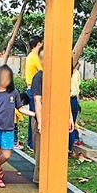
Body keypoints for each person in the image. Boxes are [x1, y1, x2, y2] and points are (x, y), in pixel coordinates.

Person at [0, 65, 35, 188]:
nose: (5, 81)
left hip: (8, 129)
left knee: (6, 155)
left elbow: (21, 108)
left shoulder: (14, 93)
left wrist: (35, 114)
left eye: (8, 78)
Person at [30, 50, 74, 184]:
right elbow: (38, 101)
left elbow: (65, 97)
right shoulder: (39, 77)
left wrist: (70, 117)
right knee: (42, 152)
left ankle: (56, 180)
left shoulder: (60, 76)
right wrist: (40, 122)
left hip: (57, 119)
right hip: (42, 118)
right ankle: (40, 180)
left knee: (57, 152)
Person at [24, 36, 44, 148]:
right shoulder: (36, 57)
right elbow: (44, 71)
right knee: (36, 116)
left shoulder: (30, 56)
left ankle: (31, 143)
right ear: (38, 44)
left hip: (31, 88)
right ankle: (32, 143)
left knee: (34, 116)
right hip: (35, 90)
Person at [69, 65, 83, 155]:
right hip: (73, 98)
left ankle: (69, 147)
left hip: (71, 98)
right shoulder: (76, 73)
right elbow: (78, 86)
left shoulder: (75, 73)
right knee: (71, 124)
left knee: (71, 124)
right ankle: (69, 148)